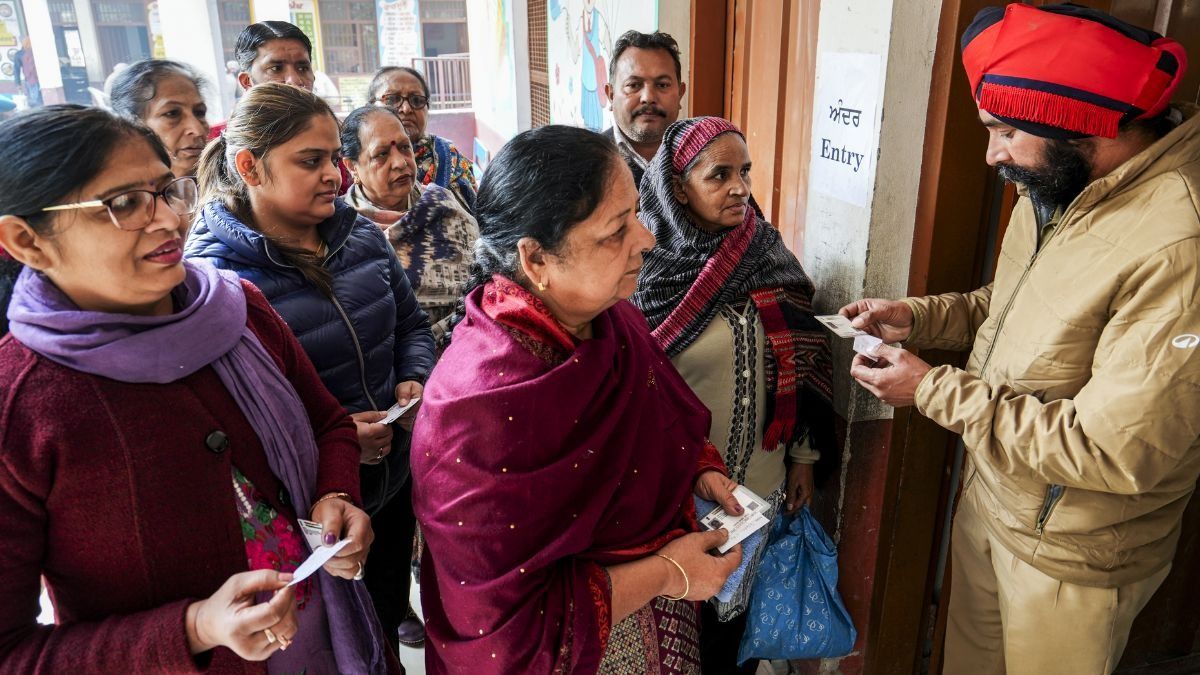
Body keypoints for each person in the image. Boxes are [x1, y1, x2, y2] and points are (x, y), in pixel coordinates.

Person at [842, 5, 1197, 674]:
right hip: (995, 500)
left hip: (1073, 555)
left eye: (1006, 131)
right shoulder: (1062, 183)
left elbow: (1114, 451)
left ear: (1080, 122)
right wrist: (919, 319)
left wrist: (932, 389)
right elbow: (1014, 306)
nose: (992, 154)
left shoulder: (1179, 241)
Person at [0, 104, 394, 674]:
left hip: (327, 639)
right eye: (123, 204)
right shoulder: (20, 404)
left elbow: (329, 423)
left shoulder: (238, 308)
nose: (168, 219)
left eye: (166, 191)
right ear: (26, 241)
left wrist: (335, 495)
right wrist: (194, 630)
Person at [412, 124, 745, 673]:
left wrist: (698, 470)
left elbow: (665, 419)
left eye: (636, 215)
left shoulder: (615, 322)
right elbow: (503, 632)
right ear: (536, 260)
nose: (647, 239)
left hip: (668, 614)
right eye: (616, 231)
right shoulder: (477, 412)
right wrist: (666, 573)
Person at [185, 82, 436, 655]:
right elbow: (236, 421)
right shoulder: (217, 283)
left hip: (393, 476)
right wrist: (338, 441)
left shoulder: (360, 237)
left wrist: (414, 378)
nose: (333, 175)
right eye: (310, 161)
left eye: (333, 158)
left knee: (385, 611)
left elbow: (411, 326)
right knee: (336, 637)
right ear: (249, 167)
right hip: (310, 511)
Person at [632, 116, 835, 674]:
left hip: (760, 490)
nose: (740, 188)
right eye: (719, 175)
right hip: (680, 496)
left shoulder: (767, 253)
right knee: (680, 633)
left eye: (744, 172)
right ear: (678, 188)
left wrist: (803, 457)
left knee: (736, 637)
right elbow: (632, 395)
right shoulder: (644, 270)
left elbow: (807, 359)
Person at [341, 105, 479, 335]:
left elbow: (483, 276)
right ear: (352, 166)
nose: (400, 162)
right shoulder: (342, 229)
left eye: (405, 147)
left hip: (470, 336)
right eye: (381, 154)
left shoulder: (442, 204)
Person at [367, 66, 477, 211]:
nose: (406, 109)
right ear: (369, 107)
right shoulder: (356, 161)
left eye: (417, 100)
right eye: (392, 99)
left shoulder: (451, 159)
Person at [602, 30, 686, 188]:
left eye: (662, 85)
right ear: (611, 95)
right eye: (633, 85)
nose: (648, 97)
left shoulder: (706, 158)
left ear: (680, 94)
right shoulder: (584, 162)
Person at [110, 59, 211, 180]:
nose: (198, 130)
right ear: (132, 126)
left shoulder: (224, 186)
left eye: (200, 112)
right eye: (172, 114)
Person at [12, 37, 41, 108]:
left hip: (34, 80)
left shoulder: (37, 51)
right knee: (35, 102)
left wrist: (18, 84)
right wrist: (18, 84)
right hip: (31, 80)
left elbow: (16, 70)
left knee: (36, 101)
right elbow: (16, 70)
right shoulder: (20, 54)